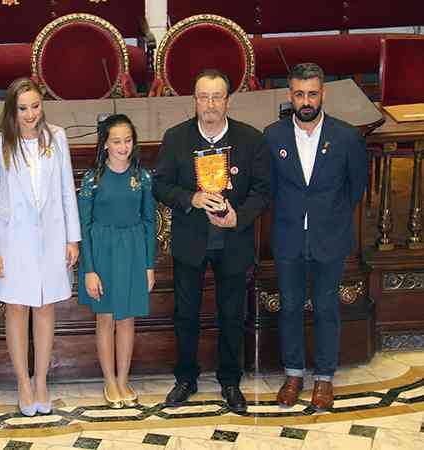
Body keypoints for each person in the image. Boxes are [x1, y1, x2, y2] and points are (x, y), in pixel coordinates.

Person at [153, 69, 270, 412]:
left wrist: (239, 217)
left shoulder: (250, 139)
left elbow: (263, 191)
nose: (210, 104)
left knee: (232, 315)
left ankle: (230, 381)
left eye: (217, 97)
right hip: (191, 240)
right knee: (185, 314)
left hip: (233, 240)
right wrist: (191, 198)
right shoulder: (176, 138)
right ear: (194, 100)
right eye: (203, 97)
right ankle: (186, 379)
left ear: (228, 101)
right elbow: (160, 185)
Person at [264, 63, 368, 410]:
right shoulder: (273, 136)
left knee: (326, 308)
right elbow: (269, 188)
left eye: (312, 93)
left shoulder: (347, 136)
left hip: (330, 236)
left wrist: (328, 215)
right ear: (290, 95)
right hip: (288, 236)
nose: (306, 101)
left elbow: (356, 187)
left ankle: (324, 378)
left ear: (323, 93)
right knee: (290, 307)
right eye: (299, 94)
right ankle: (293, 375)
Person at [0, 77, 81, 417]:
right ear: (12, 110)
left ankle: (41, 381)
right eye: (23, 108)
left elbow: (67, 190)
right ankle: (23, 381)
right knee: (18, 308)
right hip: (13, 243)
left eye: (35, 106)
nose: (30, 114)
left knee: (46, 306)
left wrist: (72, 238)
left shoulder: (57, 137)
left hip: (51, 239)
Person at [77, 114, 157, 408]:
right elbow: (83, 226)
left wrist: (149, 265)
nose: (123, 147)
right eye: (116, 141)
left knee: (127, 319)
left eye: (128, 140)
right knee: (106, 318)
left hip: (133, 252)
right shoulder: (93, 179)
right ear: (105, 145)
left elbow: (149, 222)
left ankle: (123, 379)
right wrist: (89, 270)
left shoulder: (142, 178)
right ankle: (109, 380)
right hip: (102, 254)